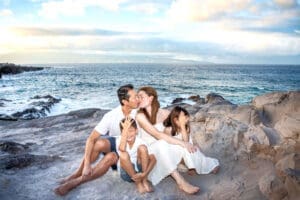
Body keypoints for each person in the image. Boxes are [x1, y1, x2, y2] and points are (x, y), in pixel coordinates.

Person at [55, 84, 139, 196]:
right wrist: (87, 165)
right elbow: (91, 139)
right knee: (99, 143)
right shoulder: (111, 115)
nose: (138, 99)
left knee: (111, 157)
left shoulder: (140, 112)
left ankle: (76, 182)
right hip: (118, 144)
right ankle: (77, 173)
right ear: (124, 101)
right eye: (135, 97)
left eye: (137, 96)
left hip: (130, 154)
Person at [136, 86, 200, 194]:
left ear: (151, 98)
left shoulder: (165, 113)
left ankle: (194, 162)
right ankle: (181, 182)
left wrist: (184, 131)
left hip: (164, 150)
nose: (138, 99)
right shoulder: (140, 116)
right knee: (162, 143)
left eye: (141, 97)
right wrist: (183, 143)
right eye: (137, 97)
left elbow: (182, 126)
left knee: (177, 138)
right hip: (149, 155)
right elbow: (157, 134)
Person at [163, 106, 220, 175]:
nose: (186, 118)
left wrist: (183, 126)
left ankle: (210, 165)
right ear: (176, 120)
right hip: (175, 153)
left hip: (188, 148)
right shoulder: (168, 129)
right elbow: (167, 145)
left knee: (197, 154)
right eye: (184, 116)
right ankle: (192, 168)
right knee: (186, 150)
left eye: (186, 115)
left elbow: (186, 141)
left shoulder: (186, 128)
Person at [117, 117, 156, 194]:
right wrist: (125, 132)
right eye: (125, 132)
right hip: (128, 174)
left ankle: (144, 181)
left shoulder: (140, 141)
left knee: (142, 148)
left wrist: (145, 174)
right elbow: (122, 149)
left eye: (131, 130)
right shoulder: (120, 140)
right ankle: (138, 183)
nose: (128, 134)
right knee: (123, 155)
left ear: (136, 131)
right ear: (122, 133)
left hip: (141, 172)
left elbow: (153, 159)